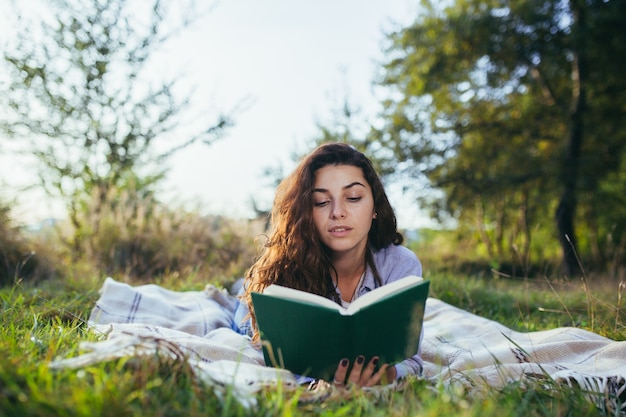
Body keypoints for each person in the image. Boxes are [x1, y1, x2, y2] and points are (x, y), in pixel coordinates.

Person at [234, 142, 423, 387]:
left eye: (353, 197)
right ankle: (237, 287)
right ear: (307, 213)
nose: (337, 212)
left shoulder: (401, 265)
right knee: (240, 308)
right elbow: (262, 348)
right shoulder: (284, 267)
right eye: (321, 202)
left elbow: (411, 359)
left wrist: (388, 374)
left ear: (375, 206)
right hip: (248, 304)